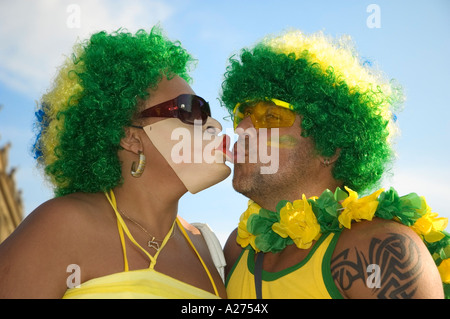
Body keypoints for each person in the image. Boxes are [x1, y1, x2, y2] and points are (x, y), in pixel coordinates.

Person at [0, 27, 231, 299]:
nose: (213, 125)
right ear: (131, 138)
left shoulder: (210, 250)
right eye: (189, 110)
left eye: (205, 112)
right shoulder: (61, 226)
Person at [221, 30, 450, 299]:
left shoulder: (380, 247)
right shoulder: (238, 249)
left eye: (270, 116)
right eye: (242, 116)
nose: (243, 129)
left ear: (330, 147)